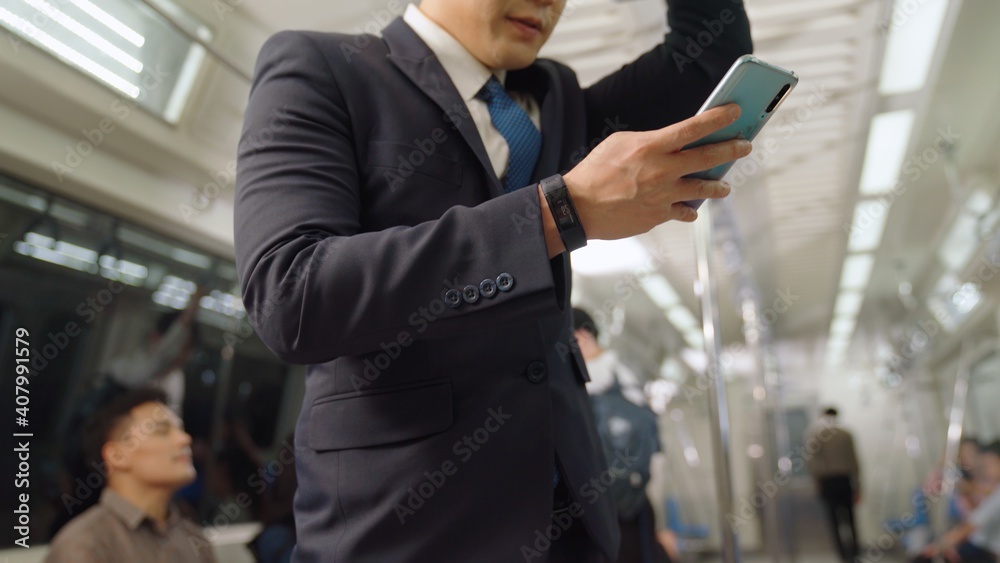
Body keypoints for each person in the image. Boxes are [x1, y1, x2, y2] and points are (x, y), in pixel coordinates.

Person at [234, 0, 753, 559]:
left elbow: (707, 59)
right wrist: (558, 211)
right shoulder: (325, 67)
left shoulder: (555, 97)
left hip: (572, 520)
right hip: (409, 526)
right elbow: (291, 294)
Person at [45, 388, 217, 562]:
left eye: (180, 429)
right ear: (117, 456)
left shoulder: (194, 539)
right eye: (161, 431)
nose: (184, 439)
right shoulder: (87, 545)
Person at [573, 308, 677, 563]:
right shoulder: (623, 378)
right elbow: (653, 451)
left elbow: (651, 451)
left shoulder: (607, 379)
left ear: (583, 336)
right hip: (624, 501)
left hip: (613, 505)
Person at [106, 285, 207, 414]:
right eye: (183, 347)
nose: (185, 355)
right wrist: (195, 300)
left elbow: (173, 416)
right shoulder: (149, 360)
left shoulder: (174, 379)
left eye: (189, 349)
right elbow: (178, 330)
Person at [917, 441, 1000, 563]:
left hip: (983, 549)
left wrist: (942, 544)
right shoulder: (974, 484)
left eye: (989, 464)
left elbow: (973, 523)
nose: (983, 469)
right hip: (974, 544)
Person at [805, 407, 861, 562]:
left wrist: (816, 482)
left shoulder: (817, 435)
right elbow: (854, 461)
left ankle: (842, 554)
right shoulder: (846, 435)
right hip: (844, 479)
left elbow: (812, 462)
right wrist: (857, 485)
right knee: (850, 519)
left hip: (828, 481)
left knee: (834, 521)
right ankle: (854, 554)